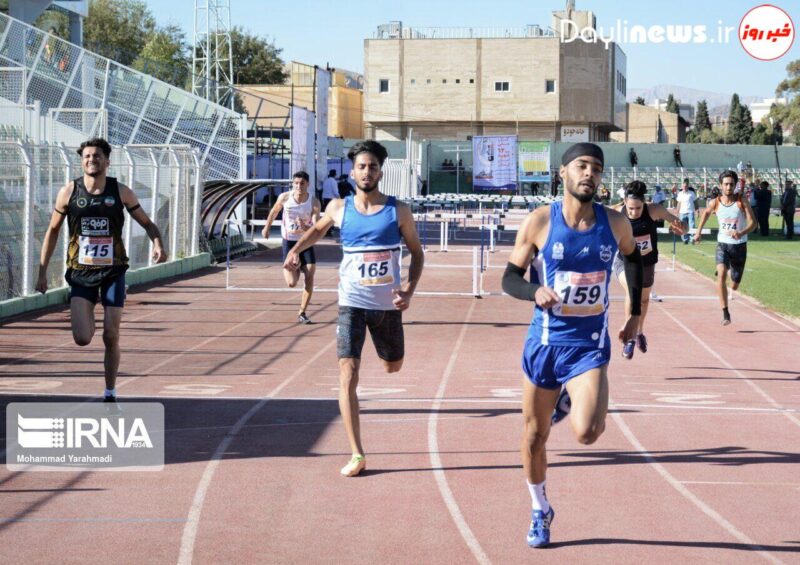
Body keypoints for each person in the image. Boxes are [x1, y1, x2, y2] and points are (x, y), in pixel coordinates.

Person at [501, 142, 643, 548]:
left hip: (588, 345)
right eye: (581, 166)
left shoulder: (616, 223)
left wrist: (636, 314)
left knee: (587, 432)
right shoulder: (540, 222)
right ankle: (540, 508)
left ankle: (571, 403)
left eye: (597, 168)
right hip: (545, 343)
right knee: (534, 437)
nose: (590, 174)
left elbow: (633, 260)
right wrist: (533, 292)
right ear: (562, 173)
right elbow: (509, 278)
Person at [284, 140, 424, 477]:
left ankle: (390, 358)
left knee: (393, 366)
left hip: (387, 307)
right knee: (347, 372)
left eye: (373, 167)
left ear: (380, 172)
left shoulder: (398, 211)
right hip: (351, 303)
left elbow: (417, 254)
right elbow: (316, 231)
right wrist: (294, 253)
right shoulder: (338, 208)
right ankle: (357, 453)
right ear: (353, 171)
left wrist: (408, 289)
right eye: (361, 166)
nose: (367, 172)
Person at [36, 138, 167, 405]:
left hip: (112, 272)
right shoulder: (68, 192)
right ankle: (89, 310)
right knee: (83, 338)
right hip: (80, 272)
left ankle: (110, 391)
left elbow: (148, 223)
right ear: (81, 161)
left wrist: (157, 242)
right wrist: (42, 272)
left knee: (111, 334)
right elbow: (52, 231)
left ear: (107, 161)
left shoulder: (121, 192)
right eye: (86, 156)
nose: (91, 160)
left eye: (96, 156)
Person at [613, 181, 685, 358]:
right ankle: (629, 337)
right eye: (630, 208)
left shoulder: (654, 210)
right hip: (625, 261)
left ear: (644, 203)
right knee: (632, 291)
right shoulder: (616, 212)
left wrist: (681, 229)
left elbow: (681, 225)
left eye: (638, 208)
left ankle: (639, 332)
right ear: (624, 203)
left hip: (647, 263)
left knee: (644, 301)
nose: (634, 212)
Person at [694, 170, 756, 325]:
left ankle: (731, 273)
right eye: (726, 184)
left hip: (739, 246)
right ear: (721, 185)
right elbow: (706, 213)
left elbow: (754, 223)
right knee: (721, 275)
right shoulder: (715, 202)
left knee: (734, 285)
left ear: (735, 186)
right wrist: (698, 232)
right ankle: (725, 313)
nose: (728, 187)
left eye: (731, 184)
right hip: (723, 244)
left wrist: (741, 232)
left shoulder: (741, 201)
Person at [262, 171, 320, 324]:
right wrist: (266, 227)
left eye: (302, 183)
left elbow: (316, 226)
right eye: (296, 183)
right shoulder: (285, 197)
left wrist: (306, 227)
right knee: (292, 283)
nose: (299, 186)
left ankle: (302, 312)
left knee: (310, 274)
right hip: (289, 242)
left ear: (308, 184)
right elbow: (274, 212)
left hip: (305, 242)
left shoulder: (314, 202)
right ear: (293, 184)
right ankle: (296, 266)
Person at [676, 178, 696, 244]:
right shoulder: (680, 194)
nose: (684, 187)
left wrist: (697, 210)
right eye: (683, 186)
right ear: (682, 186)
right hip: (682, 212)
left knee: (691, 226)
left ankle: (692, 239)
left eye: (685, 186)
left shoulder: (692, 193)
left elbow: (695, 202)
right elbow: (679, 203)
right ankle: (685, 240)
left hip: (690, 212)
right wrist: (677, 212)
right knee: (683, 226)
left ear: (687, 186)